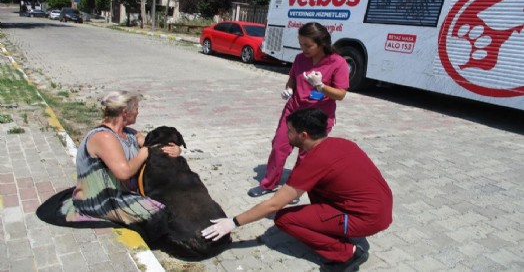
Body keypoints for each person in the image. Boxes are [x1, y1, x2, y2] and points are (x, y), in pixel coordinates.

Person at [202, 108, 393, 272]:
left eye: (290, 131)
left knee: (284, 219)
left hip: (366, 219)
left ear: (304, 135)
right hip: (380, 208)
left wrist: (233, 223)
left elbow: (274, 204)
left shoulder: (314, 161)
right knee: (316, 188)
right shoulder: (341, 143)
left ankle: (347, 254)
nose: (287, 135)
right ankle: (335, 230)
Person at [60, 90, 180, 241]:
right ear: (125, 112)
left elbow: (152, 144)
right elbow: (124, 172)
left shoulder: (129, 133)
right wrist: (143, 154)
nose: (138, 112)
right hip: (99, 199)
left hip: (123, 193)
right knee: (162, 215)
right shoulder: (103, 137)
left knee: (176, 199)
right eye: (136, 108)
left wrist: (173, 149)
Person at [248, 22, 349, 198]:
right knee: (279, 145)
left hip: (317, 117)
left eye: (308, 45)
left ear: (322, 43)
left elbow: (340, 94)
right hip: (294, 111)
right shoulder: (300, 58)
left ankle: (295, 190)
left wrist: (320, 86)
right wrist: (289, 89)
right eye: (301, 44)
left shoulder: (337, 63)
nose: (303, 49)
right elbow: (293, 79)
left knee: (306, 155)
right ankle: (269, 183)